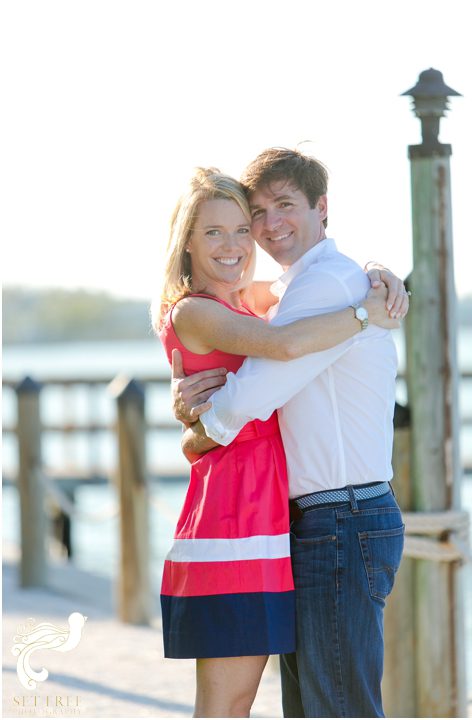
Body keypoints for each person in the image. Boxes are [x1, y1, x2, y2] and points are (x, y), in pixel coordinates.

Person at [151, 167, 405, 718]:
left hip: (277, 518)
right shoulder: (198, 309)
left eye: (242, 228)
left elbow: (320, 280)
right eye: (215, 232)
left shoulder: (251, 297)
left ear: (321, 207)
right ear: (187, 242)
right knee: (232, 705)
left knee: (314, 703)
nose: (240, 241)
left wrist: (373, 273)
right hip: (237, 519)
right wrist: (366, 315)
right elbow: (285, 345)